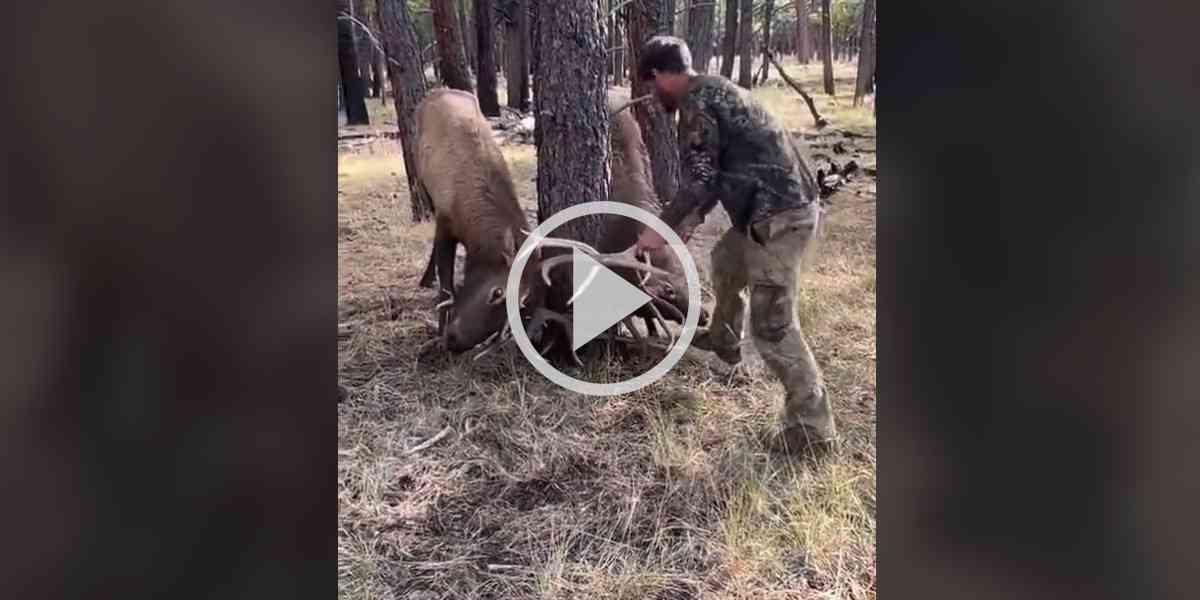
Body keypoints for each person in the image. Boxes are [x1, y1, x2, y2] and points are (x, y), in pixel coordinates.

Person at [633, 35, 836, 457]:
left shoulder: (696, 105)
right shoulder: (714, 89)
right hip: (767, 213)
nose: (653, 97)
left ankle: (812, 430)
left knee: (774, 328)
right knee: (725, 261)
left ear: (660, 75)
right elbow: (719, 172)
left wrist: (661, 228)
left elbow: (699, 180)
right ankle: (723, 339)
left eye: (651, 86)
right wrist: (690, 222)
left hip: (779, 220)